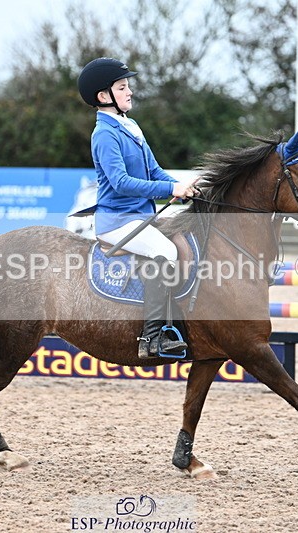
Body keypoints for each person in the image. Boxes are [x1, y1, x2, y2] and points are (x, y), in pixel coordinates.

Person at [77, 57, 198, 359]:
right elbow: (120, 183)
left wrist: (182, 187)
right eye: (122, 87)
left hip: (141, 216)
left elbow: (154, 171)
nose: (129, 92)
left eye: (128, 86)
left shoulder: (130, 126)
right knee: (165, 252)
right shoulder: (104, 134)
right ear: (103, 96)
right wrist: (170, 190)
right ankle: (151, 338)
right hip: (117, 221)